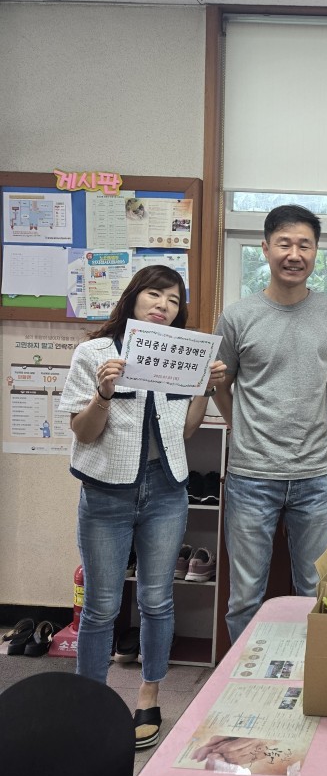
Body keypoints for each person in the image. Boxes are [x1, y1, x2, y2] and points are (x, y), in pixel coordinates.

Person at [58, 265, 227, 750]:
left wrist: (205, 389)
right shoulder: (94, 353)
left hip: (165, 490)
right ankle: (90, 703)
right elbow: (83, 432)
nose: (163, 306)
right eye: (155, 294)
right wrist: (104, 394)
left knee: (157, 600)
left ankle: (149, 696)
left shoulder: (180, 354)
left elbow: (186, 431)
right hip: (106, 492)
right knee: (101, 606)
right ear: (133, 297)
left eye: (173, 300)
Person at [214, 204, 327, 643]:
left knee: (314, 591)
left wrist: (310, 419)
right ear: (265, 248)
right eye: (284, 244)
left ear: (316, 252)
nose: (294, 254)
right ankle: (241, 677)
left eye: (304, 245)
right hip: (251, 474)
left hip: (315, 475)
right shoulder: (237, 316)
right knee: (244, 597)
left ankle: (306, 674)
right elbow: (221, 384)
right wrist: (242, 425)